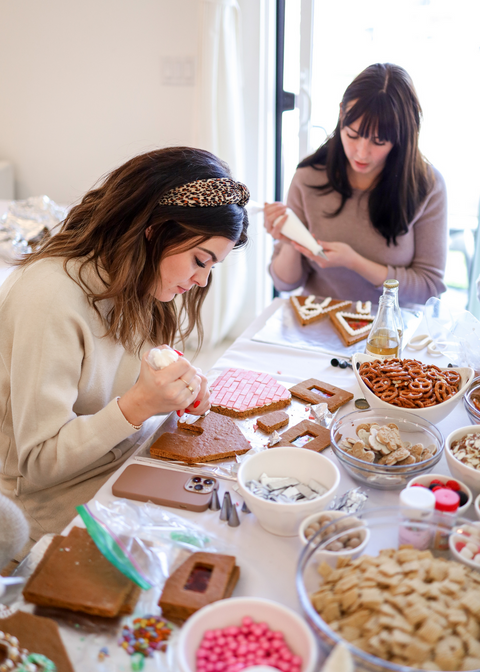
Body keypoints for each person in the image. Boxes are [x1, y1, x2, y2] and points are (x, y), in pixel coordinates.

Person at [0, 147, 249, 549]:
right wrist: (139, 405)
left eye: (211, 267)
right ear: (155, 229)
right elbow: (39, 463)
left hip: (128, 469)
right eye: (200, 260)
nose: (202, 281)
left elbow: (134, 377)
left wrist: (178, 387)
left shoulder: (138, 279)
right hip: (55, 514)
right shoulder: (48, 299)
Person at [265, 63, 447, 306]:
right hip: (318, 320)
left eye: (379, 141)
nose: (361, 153)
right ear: (342, 113)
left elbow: (429, 287)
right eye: (352, 134)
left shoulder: (427, 186)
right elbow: (284, 283)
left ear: (401, 135)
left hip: (389, 330)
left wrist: (355, 262)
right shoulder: (309, 176)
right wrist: (290, 240)